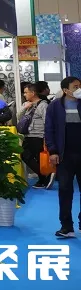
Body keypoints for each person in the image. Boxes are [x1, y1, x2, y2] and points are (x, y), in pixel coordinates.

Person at [45, 75, 81, 238]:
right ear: (66, 90)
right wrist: (52, 151)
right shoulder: (55, 106)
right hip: (64, 155)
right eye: (75, 87)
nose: (79, 89)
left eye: (80, 86)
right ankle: (67, 226)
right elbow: (49, 129)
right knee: (65, 190)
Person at [18, 82, 53, 189]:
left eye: (26, 92)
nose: (24, 94)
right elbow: (18, 116)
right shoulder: (26, 104)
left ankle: (44, 178)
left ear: (33, 93)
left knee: (39, 158)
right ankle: (44, 176)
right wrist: (25, 108)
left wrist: (47, 137)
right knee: (25, 155)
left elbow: (47, 121)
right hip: (28, 135)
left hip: (38, 136)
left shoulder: (43, 105)